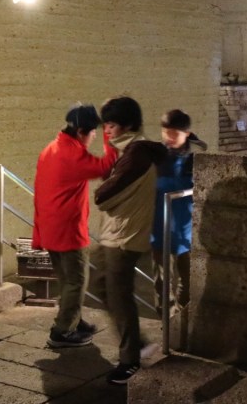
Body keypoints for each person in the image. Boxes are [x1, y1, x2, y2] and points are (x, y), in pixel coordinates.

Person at [93, 96, 167, 386]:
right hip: (116, 232)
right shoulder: (131, 151)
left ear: (128, 125)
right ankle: (138, 345)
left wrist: (103, 191)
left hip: (125, 236)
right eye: (105, 125)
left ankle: (130, 360)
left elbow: (103, 196)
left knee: (119, 295)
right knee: (101, 283)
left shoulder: (136, 154)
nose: (107, 131)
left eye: (111, 125)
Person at [33, 104, 117, 348]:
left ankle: (74, 320)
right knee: (77, 281)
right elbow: (107, 166)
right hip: (68, 231)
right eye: (93, 132)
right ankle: (62, 332)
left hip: (50, 228)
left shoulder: (50, 149)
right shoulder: (74, 155)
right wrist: (109, 136)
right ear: (81, 132)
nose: (94, 136)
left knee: (66, 279)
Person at [151, 109, 207, 314]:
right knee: (162, 286)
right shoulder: (156, 156)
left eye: (174, 133)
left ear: (187, 133)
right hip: (159, 230)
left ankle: (182, 319)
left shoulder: (196, 158)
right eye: (166, 132)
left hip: (186, 231)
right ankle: (168, 322)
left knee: (189, 282)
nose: (169, 137)